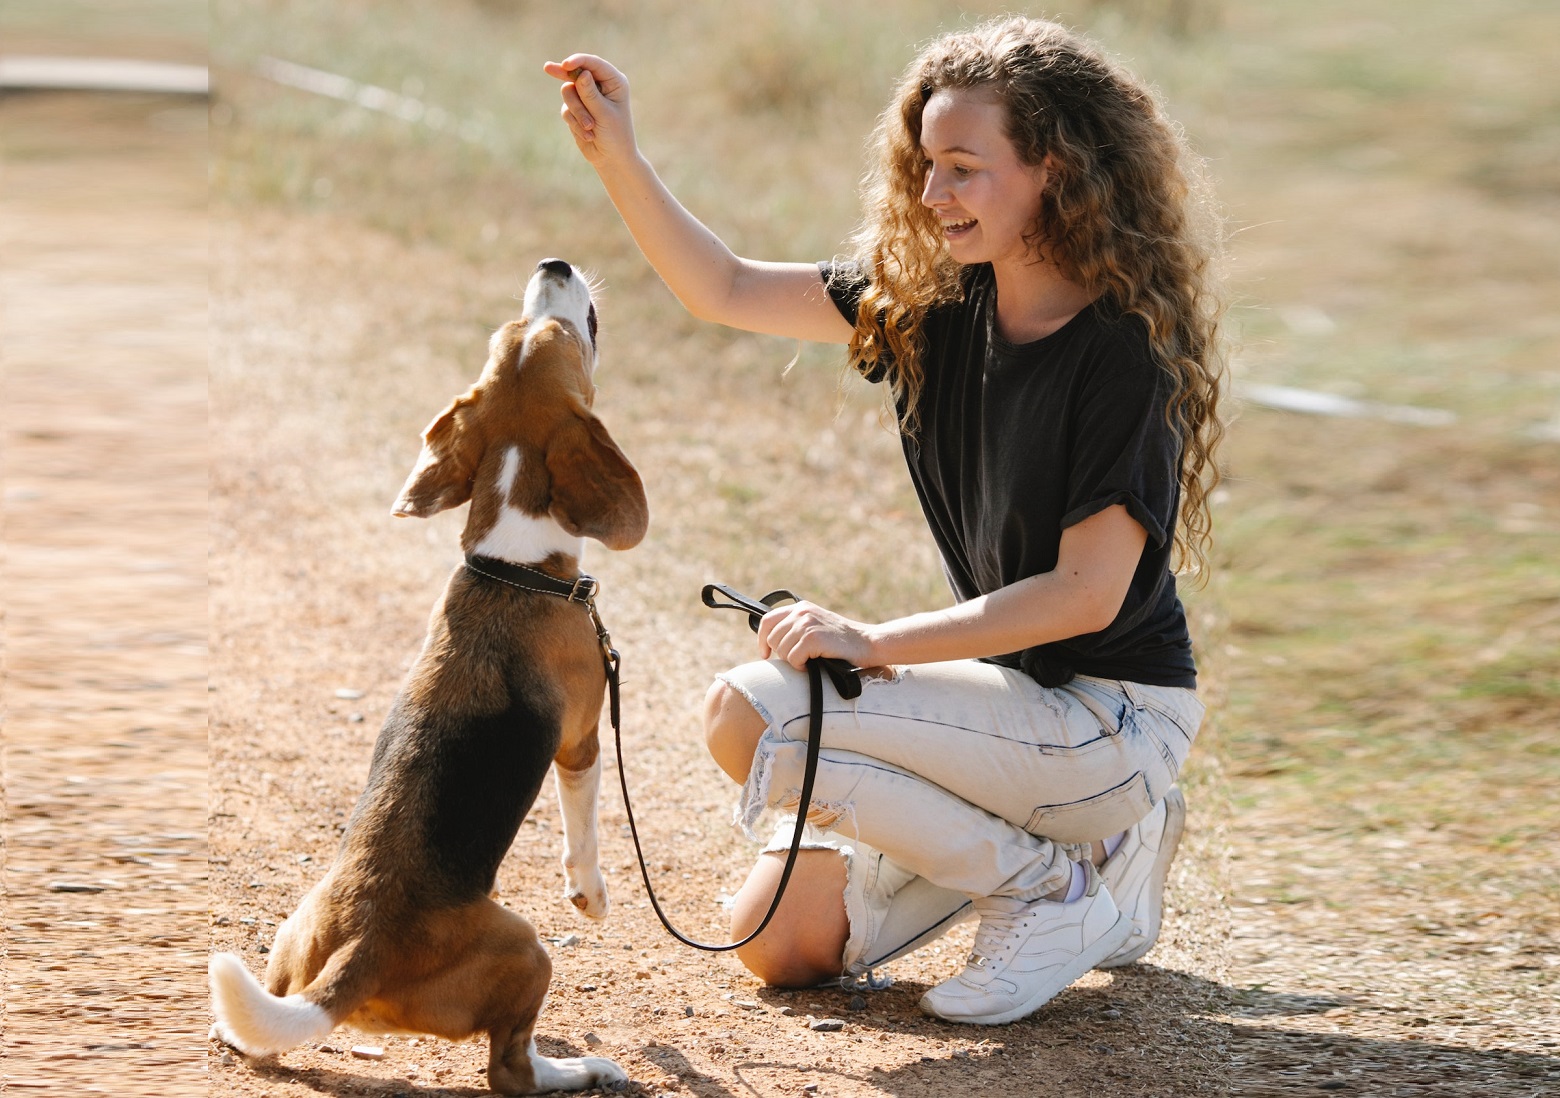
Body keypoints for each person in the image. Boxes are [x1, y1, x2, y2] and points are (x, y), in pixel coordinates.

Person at [544, 15, 1225, 1026]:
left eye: (963, 167)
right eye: (924, 165)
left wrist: (872, 644)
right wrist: (620, 156)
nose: (931, 192)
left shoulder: (1120, 355)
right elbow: (723, 287)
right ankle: (1096, 871)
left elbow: (1087, 595)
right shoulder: (933, 307)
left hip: (1110, 722)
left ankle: (1054, 888)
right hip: (1013, 714)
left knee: (752, 713)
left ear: (1054, 168)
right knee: (777, 944)